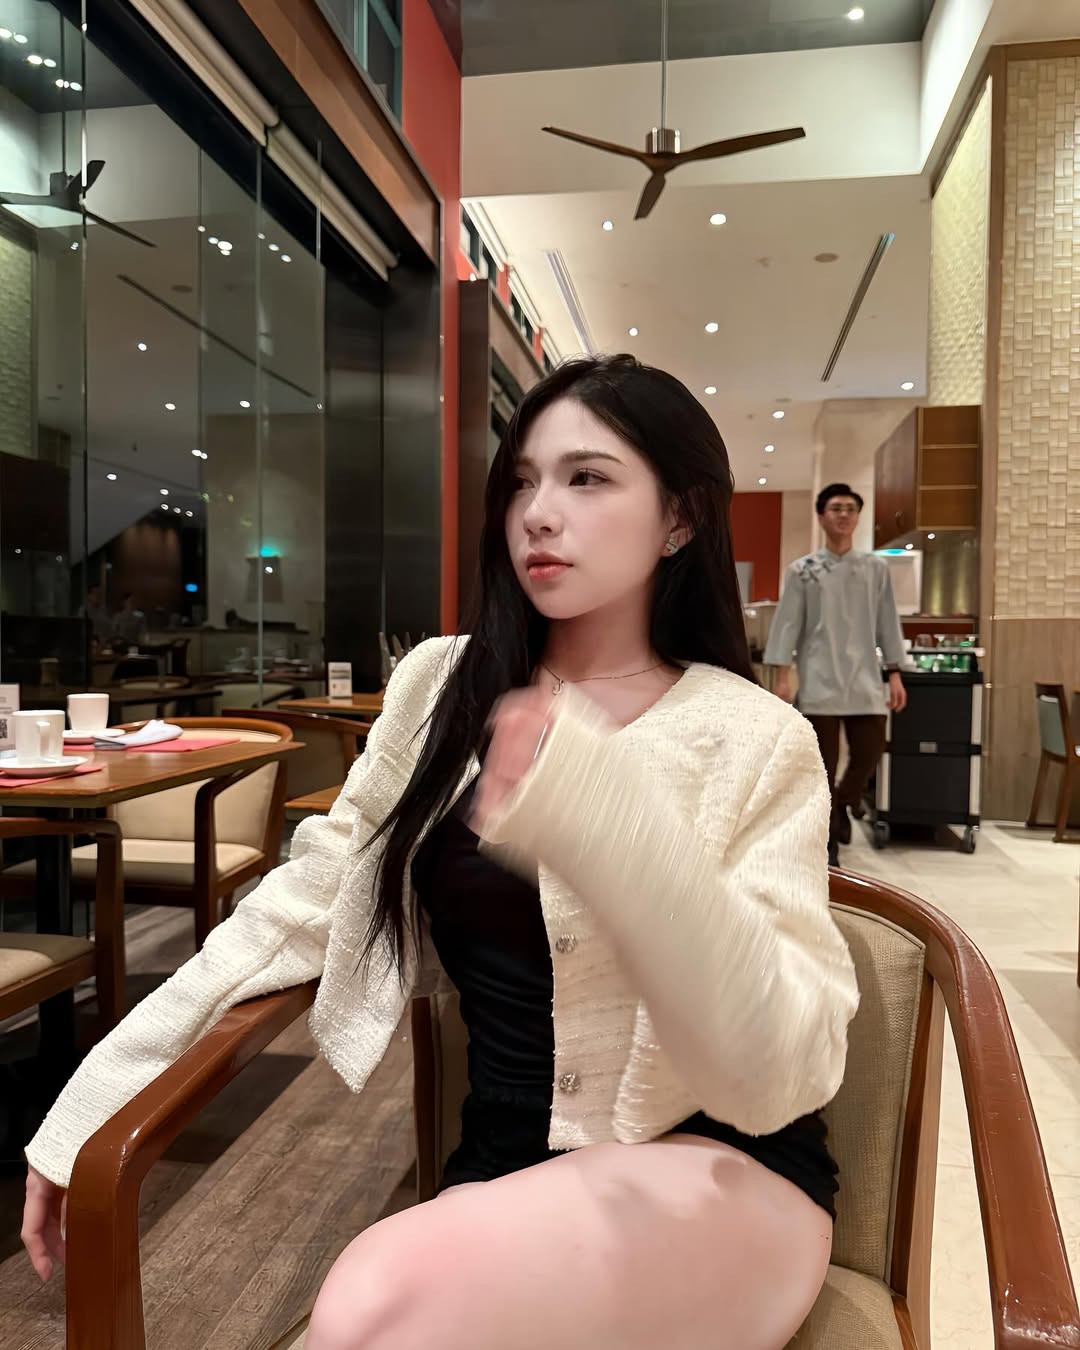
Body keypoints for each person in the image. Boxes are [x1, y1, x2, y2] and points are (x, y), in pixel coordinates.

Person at [22, 356, 859, 1350]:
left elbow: (778, 1066)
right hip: (501, 1172)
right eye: (522, 481)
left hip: (719, 1176)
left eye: (588, 478)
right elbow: (300, 908)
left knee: (372, 1303)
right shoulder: (440, 687)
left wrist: (600, 814)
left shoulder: (757, 736)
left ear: (679, 518)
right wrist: (98, 1101)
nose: (539, 513)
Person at [764, 482, 907, 866]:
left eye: (850, 508)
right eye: (835, 508)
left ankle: (842, 804)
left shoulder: (875, 569)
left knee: (870, 752)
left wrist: (894, 673)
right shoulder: (803, 571)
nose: (843, 515)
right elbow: (787, 625)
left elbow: (888, 623)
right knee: (820, 767)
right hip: (819, 679)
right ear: (821, 516)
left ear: (857, 517)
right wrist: (782, 676)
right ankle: (827, 845)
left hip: (864, 678)